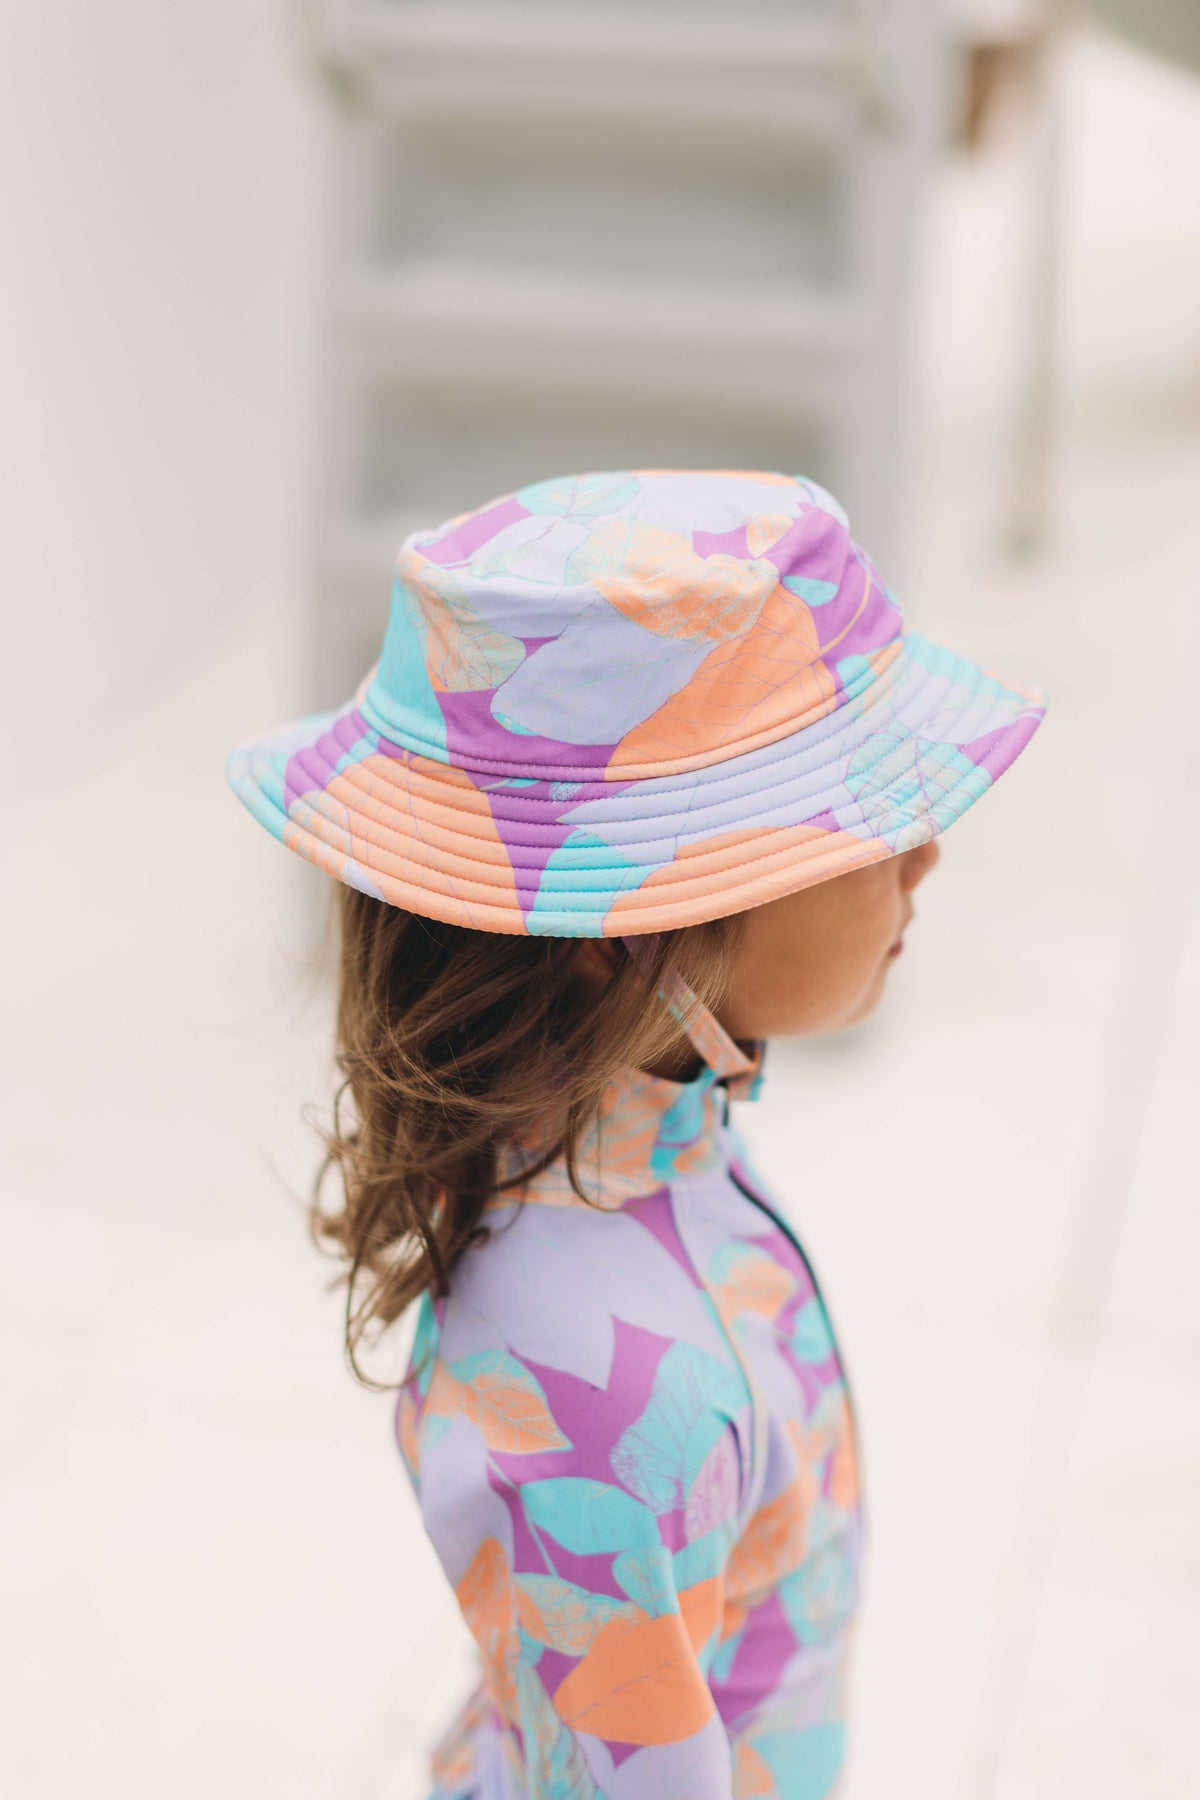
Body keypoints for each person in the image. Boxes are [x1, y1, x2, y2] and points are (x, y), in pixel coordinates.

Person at [227, 469, 1046, 1800]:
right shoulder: (587, 1391)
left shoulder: (650, 1134)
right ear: (626, 933)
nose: (929, 854)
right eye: (870, 819)